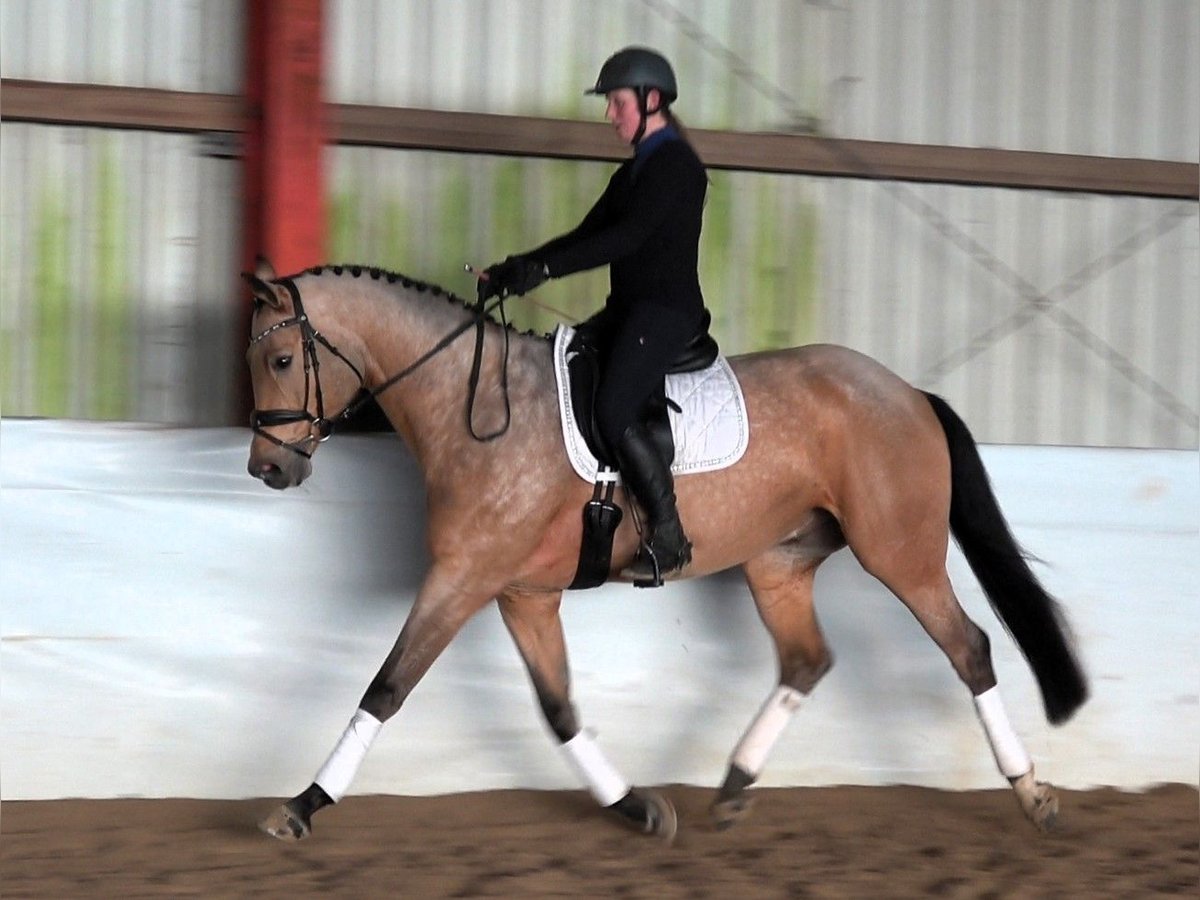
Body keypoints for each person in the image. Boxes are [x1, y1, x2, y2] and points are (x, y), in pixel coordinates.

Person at [479, 46, 713, 582]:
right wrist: (519, 267)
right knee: (561, 371)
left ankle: (669, 532)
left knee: (611, 409)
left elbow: (624, 239)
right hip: (626, 311)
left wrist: (544, 272)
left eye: (617, 103)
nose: (610, 114)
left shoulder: (677, 167)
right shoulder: (633, 173)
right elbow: (585, 235)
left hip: (665, 315)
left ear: (652, 100)